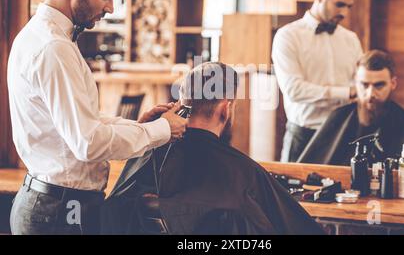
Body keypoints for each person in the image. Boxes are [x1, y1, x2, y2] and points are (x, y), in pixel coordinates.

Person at [7, 0, 187, 235]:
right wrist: (161, 131)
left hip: (56, 206)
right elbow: (87, 143)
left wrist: (136, 125)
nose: (110, 7)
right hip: (59, 214)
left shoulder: (42, 36)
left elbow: (75, 124)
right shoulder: (54, 48)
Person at [101, 62, 324, 235]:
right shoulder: (245, 173)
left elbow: (113, 213)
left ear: (180, 103)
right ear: (225, 109)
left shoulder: (147, 155)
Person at [297, 50, 404, 172]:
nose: (371, 94)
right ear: (355, 83)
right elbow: (305, 171)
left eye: (379, 85)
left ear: (393, 84)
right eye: (364, 85)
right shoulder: (339, 117)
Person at [272, 0, 363, 162]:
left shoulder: (351, 40)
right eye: (339, 5)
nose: (344, 13)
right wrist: (346, 93)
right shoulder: (288, 36)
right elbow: (293, 90)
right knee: (291, 192)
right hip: (303, 135)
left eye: (349, 6)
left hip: (343, 133)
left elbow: (361, 84)